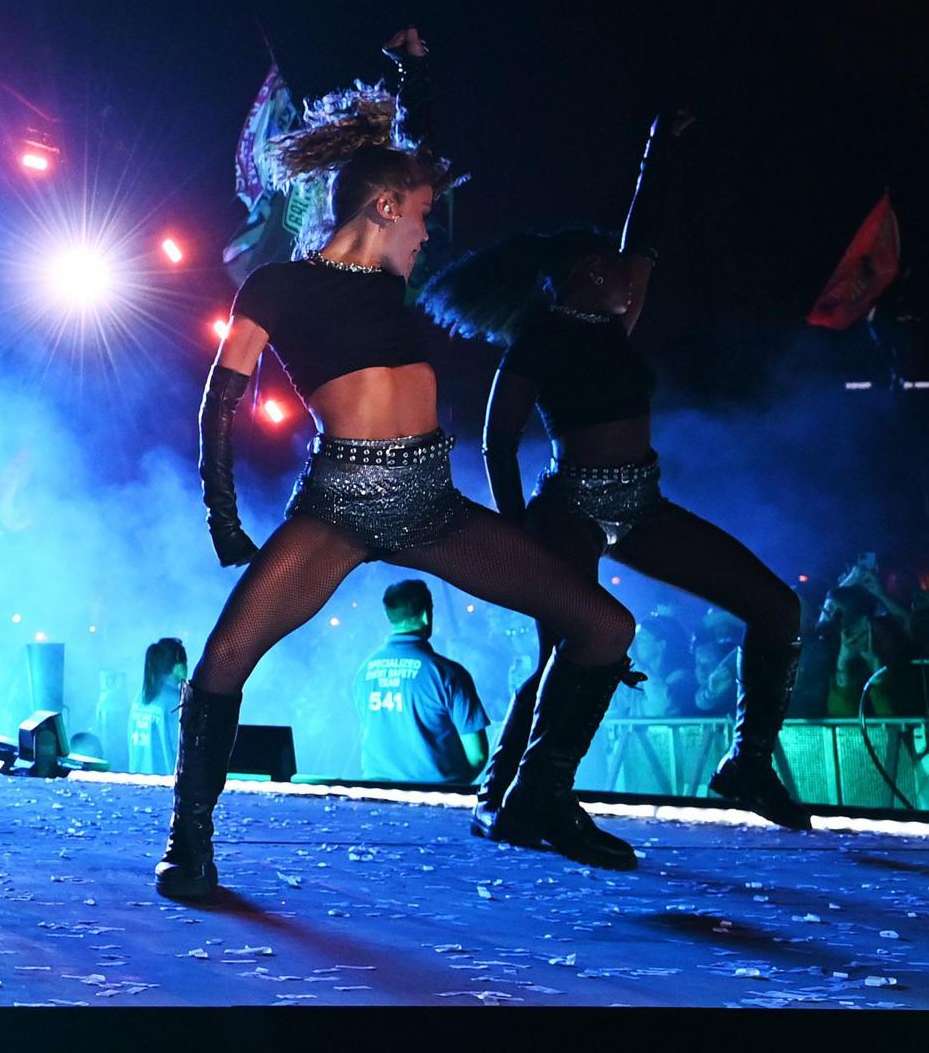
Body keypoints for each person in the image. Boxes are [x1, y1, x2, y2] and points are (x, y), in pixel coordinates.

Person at [163, 82, 641, 899]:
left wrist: (412, 86)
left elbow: (416, 162)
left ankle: (537, 796)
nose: (427, 234)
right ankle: (189, 841)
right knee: (223, 658)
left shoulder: (391, 282)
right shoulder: (275, 287)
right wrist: (222, 515)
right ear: (384, 206)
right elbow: (222, 398)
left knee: (605, 626)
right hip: (339, 506)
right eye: (419, 216)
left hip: (431, 502)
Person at [428, 209, 809, 831]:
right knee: (567, 651)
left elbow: (645, 240)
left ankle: (749, 763)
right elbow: (497, 442)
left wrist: (660, 145)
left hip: (642, 508)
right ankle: (508, 793)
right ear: (587, 272)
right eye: (614, 270)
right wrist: (517, 529)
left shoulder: (616, 324)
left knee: (777, 608)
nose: (630, 282)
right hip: (568, 511)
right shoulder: (538, 341)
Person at [355, 580, 490, 787]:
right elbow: (478, 755)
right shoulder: (448, 674)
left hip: (376, 794)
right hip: (436, 800)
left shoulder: (364, 672)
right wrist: (452, 788)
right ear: (426, 615)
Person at [127, 637, 189, 777]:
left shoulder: (140, 697)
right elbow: (180, 745)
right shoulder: (175, 700)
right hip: (164, 782)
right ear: (178, 666)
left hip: (137, 779)